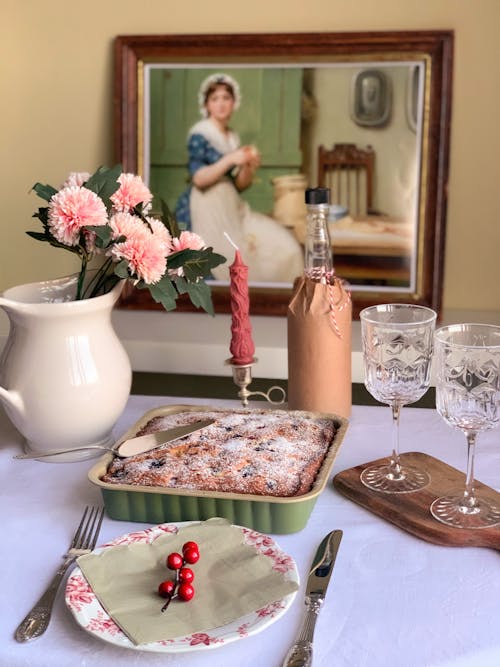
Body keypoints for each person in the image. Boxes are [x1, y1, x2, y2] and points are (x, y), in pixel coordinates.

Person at [175, 73, 303, 283]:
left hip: (232, 206)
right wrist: (231, 159)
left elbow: (239, 185)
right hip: (208, 207)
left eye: (226, 98)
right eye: (215, 99)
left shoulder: (231, 137)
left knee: (285, 247)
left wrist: (248, 166)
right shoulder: (201, 133)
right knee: (229, 259)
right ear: (206, 104)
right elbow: (199, 179)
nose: (221, 104)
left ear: (234, 103)